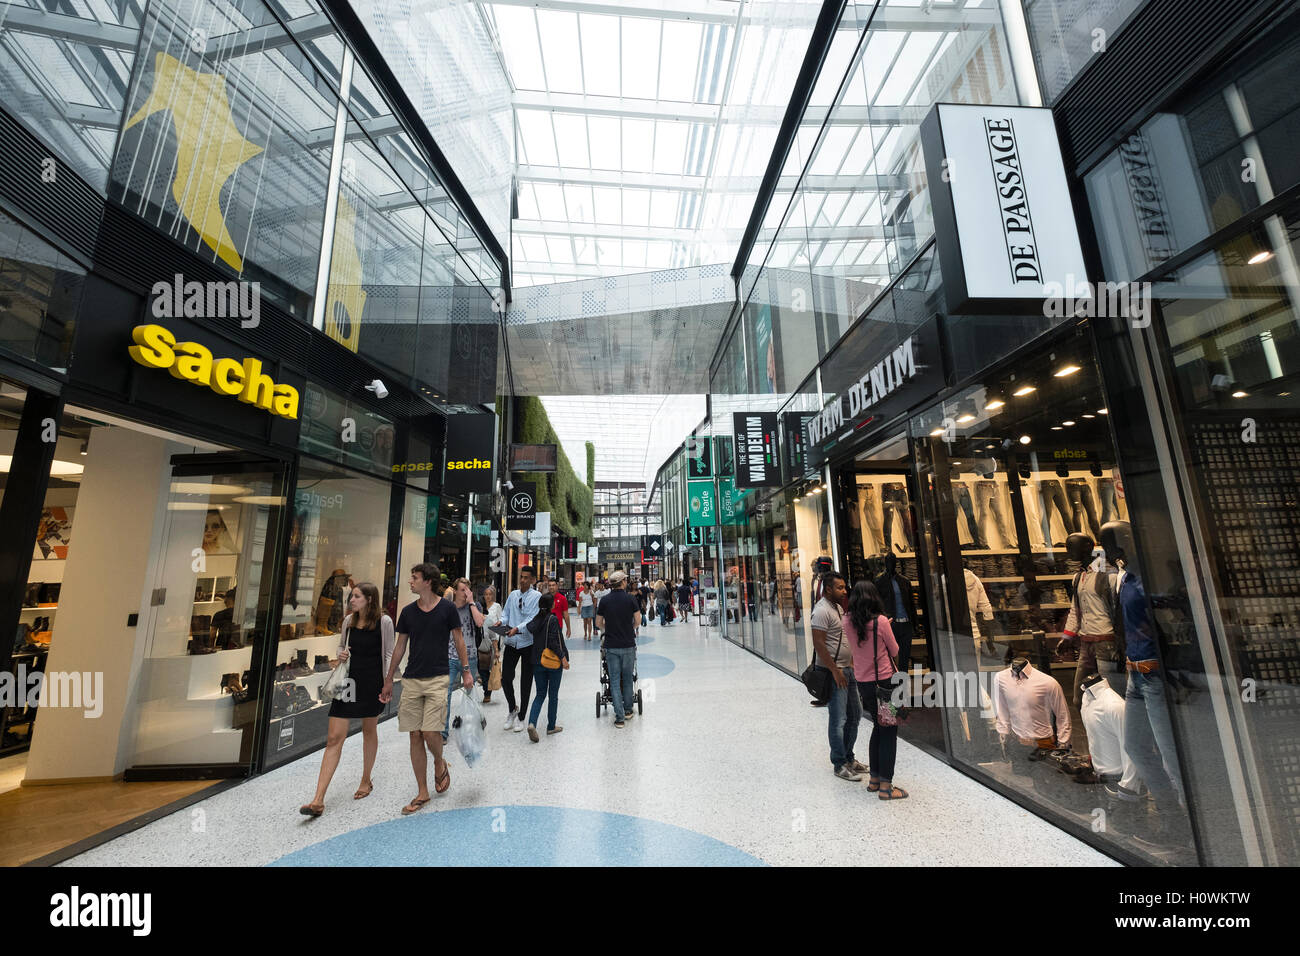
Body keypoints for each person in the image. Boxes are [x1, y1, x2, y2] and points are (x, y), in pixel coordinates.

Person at [380, 564, 473, 814]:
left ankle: (439, 761)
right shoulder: (408, 612)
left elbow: (459, 639)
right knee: (414, 734)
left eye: (414, 578)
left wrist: (466, 670)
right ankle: (422, 791)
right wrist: (389, 678)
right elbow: (400, 647)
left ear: (428, 582)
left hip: (438, 677)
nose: (410, 581)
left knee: (431, 732)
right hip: (412, 678)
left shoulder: (447, 609)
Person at [300, 582, 393, 816]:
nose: (352, 600)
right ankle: (318, 798)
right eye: (352, 596)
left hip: (372, 682)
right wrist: (340, 654)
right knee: (334, 737)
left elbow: (389, 653)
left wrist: (388, 681)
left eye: (357, 596)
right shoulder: (348, 622)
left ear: (370, 599)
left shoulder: (384, 622)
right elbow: (342, 646)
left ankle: (365, 779)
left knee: (369, 730)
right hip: (347, 682)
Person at [845, 580, 907, 800]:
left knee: (877, 729)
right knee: (889, 731)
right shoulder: (881, 621)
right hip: (886, 685)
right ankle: (886, 788)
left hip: (864, 683)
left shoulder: (847, 621)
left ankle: (874, 781)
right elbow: (895, 649)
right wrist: (886, 626)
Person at [811, 571, 867, 781]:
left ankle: (849, 757)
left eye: (844, 587)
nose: (844, 591)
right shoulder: (821, 611)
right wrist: (835, 670)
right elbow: (819, 643)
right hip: (833, 672)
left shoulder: (839, 608)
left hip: (847, 669)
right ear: (828, 589)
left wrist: (852, 663)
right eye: (840, 588)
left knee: (855, 714)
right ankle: (839, 763)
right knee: (838, 719)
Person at [596, 570, 641, 728]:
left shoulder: (605, 601)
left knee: (614, 681)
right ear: (622, 582)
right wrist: (631, 628)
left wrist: (607, 629)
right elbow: (638, 620)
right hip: (628, 644)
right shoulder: (631, 599)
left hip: (611, 645)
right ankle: (628, 710)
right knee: (628, 678)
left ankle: (619, 718)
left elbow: (598, 622)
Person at [500, 565, 540, 732]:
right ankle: (512, 709)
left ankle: (522, 716)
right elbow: (506, 614)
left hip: (527, 643)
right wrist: (500, 623)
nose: (522, 580)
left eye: (526, 577)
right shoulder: (513, 595)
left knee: (526, 681)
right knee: (506, 678)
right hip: (511, 642)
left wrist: (517, 628)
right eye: (521, 577)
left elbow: (532, 619)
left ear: (532, 580)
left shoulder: (536, 596)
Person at [525, 591, 570, 741]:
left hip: (537, 661)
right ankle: (551, 726)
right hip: (552, 661)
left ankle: (532, 723)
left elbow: (529, 627)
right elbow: (554, 641)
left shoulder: (536, 619)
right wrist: (563, 657)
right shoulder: (552, 619)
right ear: (551, 605)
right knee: (553, 695)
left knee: (540, 694)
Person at [444, 578, 485, 740]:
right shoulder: (448, 607)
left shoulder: (474, 606)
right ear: (455, 591)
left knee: (470, 693)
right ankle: (443, 732)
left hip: (471, 656)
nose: (466, 593)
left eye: (468, 590)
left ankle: (472, 727)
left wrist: (472, 602)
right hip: (450, 656)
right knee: (444, 694)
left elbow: (480, 622)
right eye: (462, 590)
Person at [479, 585, 503, 702]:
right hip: (481, 641)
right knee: (482, 667)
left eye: (490, 594)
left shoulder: (497, 606)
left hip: (494, 639)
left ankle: (487, 687)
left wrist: (497, 647)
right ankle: (485, 684)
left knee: (489, 666)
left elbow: (501, 620)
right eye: (486, 594)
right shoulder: (480, 607)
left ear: (493, 595)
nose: (488, 596)